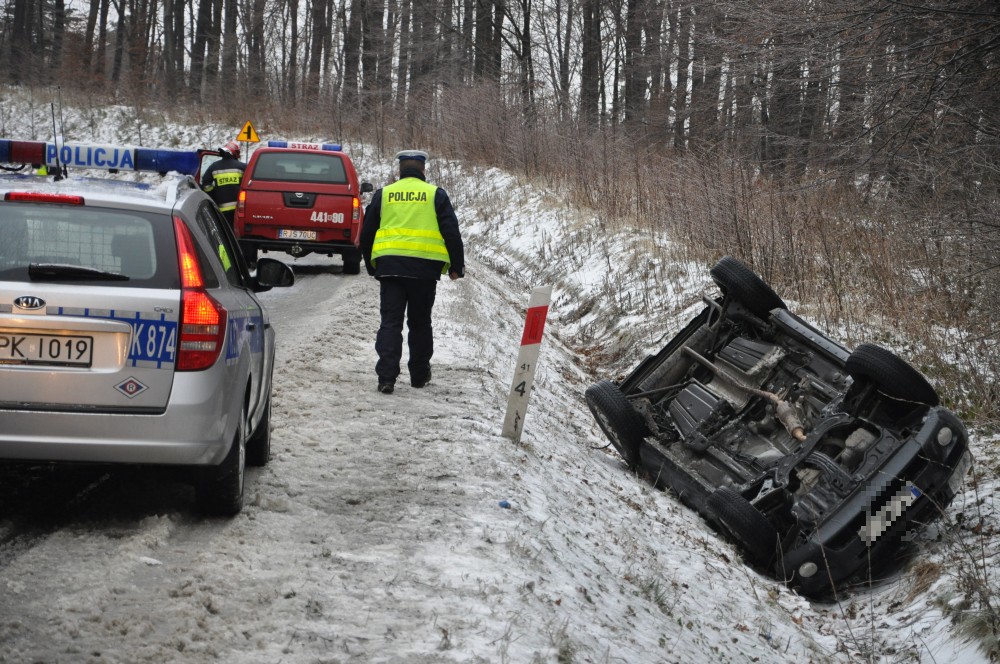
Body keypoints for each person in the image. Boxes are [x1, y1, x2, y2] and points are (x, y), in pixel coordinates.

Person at [360, 149, 465, 394]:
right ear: (423, 170)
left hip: (390, 269)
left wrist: (370, 263)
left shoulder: (384, 194)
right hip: (424, 270)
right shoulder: (435, 195)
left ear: (400, 170)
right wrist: (456, 267)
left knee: (390, 323)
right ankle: (418, 375)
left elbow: (367, 232)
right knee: (420, 323)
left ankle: (386, 378)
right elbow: (451, 231)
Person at [201, 140, 245, 227]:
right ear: (234, 153)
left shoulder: (214, 166)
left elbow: (206, 184)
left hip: (221, 208)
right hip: (238, 208)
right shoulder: (242, 167)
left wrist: (213, 194)